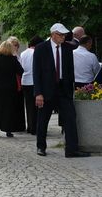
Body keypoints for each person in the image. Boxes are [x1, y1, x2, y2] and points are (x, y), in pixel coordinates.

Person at [33, 23, 90, 158]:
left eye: (64, 35)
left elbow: (70, 71)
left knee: (70, 118)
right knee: (43, 119)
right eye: (61, 35)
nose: (63, 37)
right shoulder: (41, 49)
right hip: (47, 90)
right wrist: (38, 93)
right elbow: (37, 72)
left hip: (64, 89)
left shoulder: (67, 48)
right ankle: (41, 146)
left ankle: (71, 149)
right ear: (53, 35)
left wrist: (71, 90)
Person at [0, 41, 25, 137]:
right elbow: (21, 71)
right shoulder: (13, 59)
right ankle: (8, 130)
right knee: (9, 109)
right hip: (10, 88)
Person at [20, 36, 44, 135]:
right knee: (37, 106)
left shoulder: (23, 53)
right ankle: (36, 127)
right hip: (35, 81)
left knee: (29, 106)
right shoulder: (37, 53)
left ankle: (30, 126)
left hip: (25, 81)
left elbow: (21, 66)